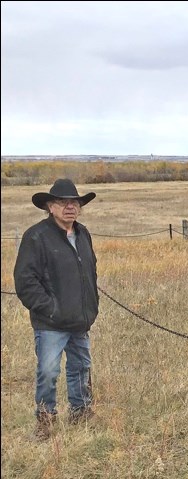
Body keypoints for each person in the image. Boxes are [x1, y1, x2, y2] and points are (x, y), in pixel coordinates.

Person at [13, 178, 100, 440]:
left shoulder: (83, 233)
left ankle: (81, 412)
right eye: (62, 203)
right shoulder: (36, 236)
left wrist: (90, 307)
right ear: (50, 207)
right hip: (50, 322)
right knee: (49, 371)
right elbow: (25, 281)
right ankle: (45, 421)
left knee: (81, 367)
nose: (70, 207)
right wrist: (50, 308)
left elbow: (90, 272)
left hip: (80, 318)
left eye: (74, 202)